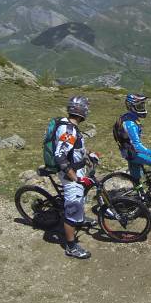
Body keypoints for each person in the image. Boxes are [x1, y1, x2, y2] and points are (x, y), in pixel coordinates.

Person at [54, 95, 99, 259]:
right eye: (86, 108)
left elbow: (74, 149)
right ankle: (71, 247)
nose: (88, 111)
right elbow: (60, 156)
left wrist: (89, 155)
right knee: (72, 210)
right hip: (71, 175)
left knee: (80, 200)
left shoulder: (72, 127)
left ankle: (79, 217)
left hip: (77, 170)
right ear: (81, 111)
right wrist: (76, 179)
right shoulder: (68, 130)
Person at [113, 93, 151, 186]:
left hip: (128, 152)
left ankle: (140, 195)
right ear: (131, 107)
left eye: (142, 105)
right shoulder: (131, 124)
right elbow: (136, 146)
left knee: (136, 179)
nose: (142, 108)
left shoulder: (126, 117)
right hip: (133, 153)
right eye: (139, 106)